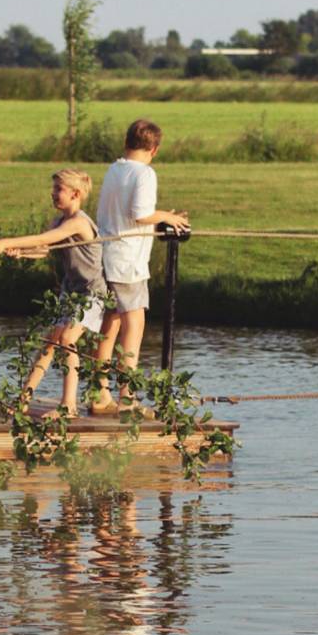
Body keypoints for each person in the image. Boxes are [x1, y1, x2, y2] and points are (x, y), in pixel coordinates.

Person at [0, 168, 107, 421]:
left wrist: (8, 241)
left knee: (68, 339)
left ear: (75, 194)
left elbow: (43, 238)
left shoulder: (78, 222)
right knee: (50, 343)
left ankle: (68, 406)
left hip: (91, 293)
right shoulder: (60, 221)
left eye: (58, 190)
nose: (53, 194)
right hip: (70, 292)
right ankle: (23, 400)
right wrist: (21, 253)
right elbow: (43, 248)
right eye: (53, 189)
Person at [90, 119, 189, 415]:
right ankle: (127, 396)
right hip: (128, 261)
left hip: (106, 254)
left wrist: (160, 215)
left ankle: (99, 393)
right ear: (154, 149)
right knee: (134, 326)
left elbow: (126, 211)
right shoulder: (145, 173)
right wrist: (168, 218)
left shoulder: (114, 168)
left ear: (126, 142)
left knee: (110, 326)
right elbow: (140, 213)